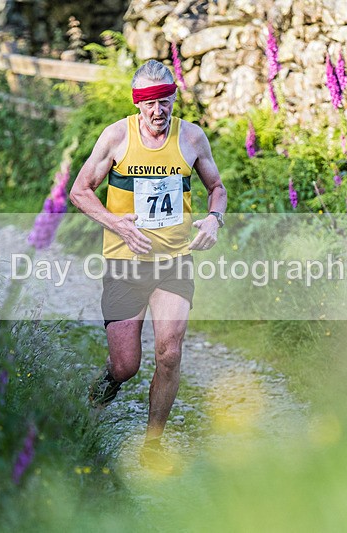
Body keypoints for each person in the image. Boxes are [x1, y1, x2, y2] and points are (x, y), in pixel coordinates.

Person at [69, 59, 227, 472]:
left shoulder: (191, 138)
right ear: (139, 104)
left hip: (174, 261)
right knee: (126, 365)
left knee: (169, 353)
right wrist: (113, 221)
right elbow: (80, 191)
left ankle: (152, 444)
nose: (159, 109)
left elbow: (217, 189)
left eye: (166, 99)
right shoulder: (117, 136)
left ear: (175, 97)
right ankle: (105, 387)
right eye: (150, 102)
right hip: (125, 262)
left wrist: (214, 218)